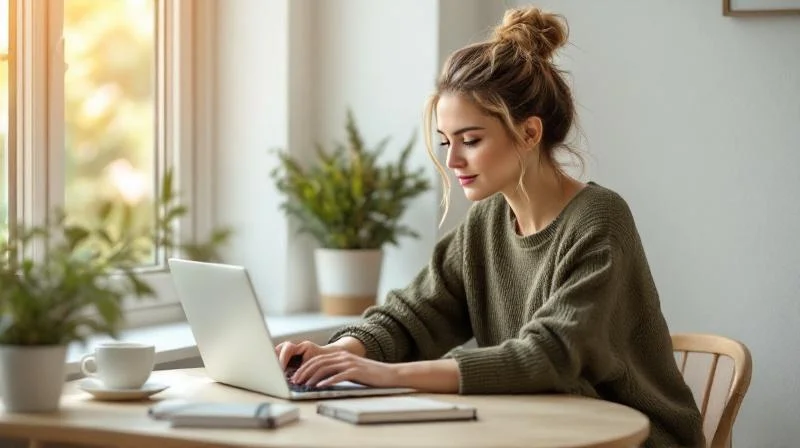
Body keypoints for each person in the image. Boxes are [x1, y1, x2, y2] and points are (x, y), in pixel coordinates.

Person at [275, 6, 704, 447]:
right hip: (540, 430)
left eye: (471, 140)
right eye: (446, 141)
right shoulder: (486, 221)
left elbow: (549, 355)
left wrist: (385, 374)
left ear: (530, 134)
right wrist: (337, 353)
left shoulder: (600, 218)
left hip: (635, 437)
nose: (452, 160)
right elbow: (416, 314)